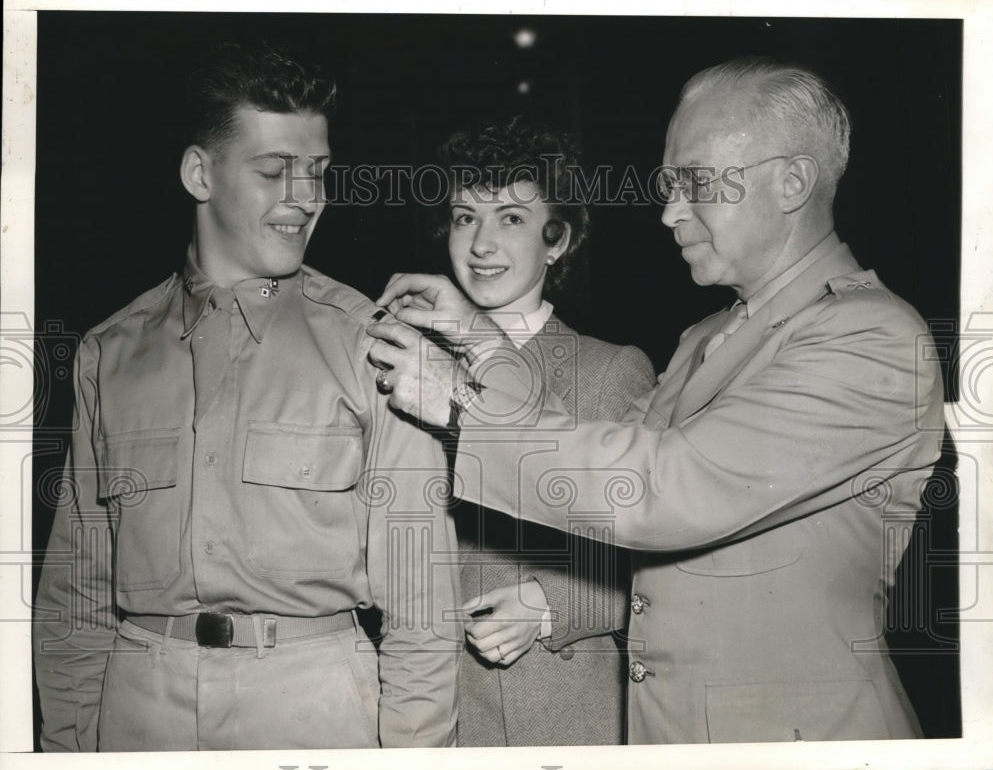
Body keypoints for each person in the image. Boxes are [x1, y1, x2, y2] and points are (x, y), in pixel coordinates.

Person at [367, 57, 945, 743]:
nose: (670, 211)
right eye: (669, 186)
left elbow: (658, 487)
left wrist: (460, 404)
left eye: (695, 183)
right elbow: (583, 449)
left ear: (792, 181)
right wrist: (478, 337)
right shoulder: (709, 335)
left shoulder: (869, 334)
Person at [33, 42, 460, 752]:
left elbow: (421, 606)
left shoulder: (374, 347)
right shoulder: (108, 354)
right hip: (138, 710)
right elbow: (75, 597)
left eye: (318, 173)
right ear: (200, 173)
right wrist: (64, 748)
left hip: (314, 708)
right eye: (273, 171)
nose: (306, 197)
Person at [431, 117, 655, 746]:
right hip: (431, 715)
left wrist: (550, 601)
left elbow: (661, 555)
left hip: (556, 715)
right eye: (464, 216)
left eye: (511, 219)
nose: (480, 244)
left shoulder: (610, 371)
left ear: (558, 241)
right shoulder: (410, 365)